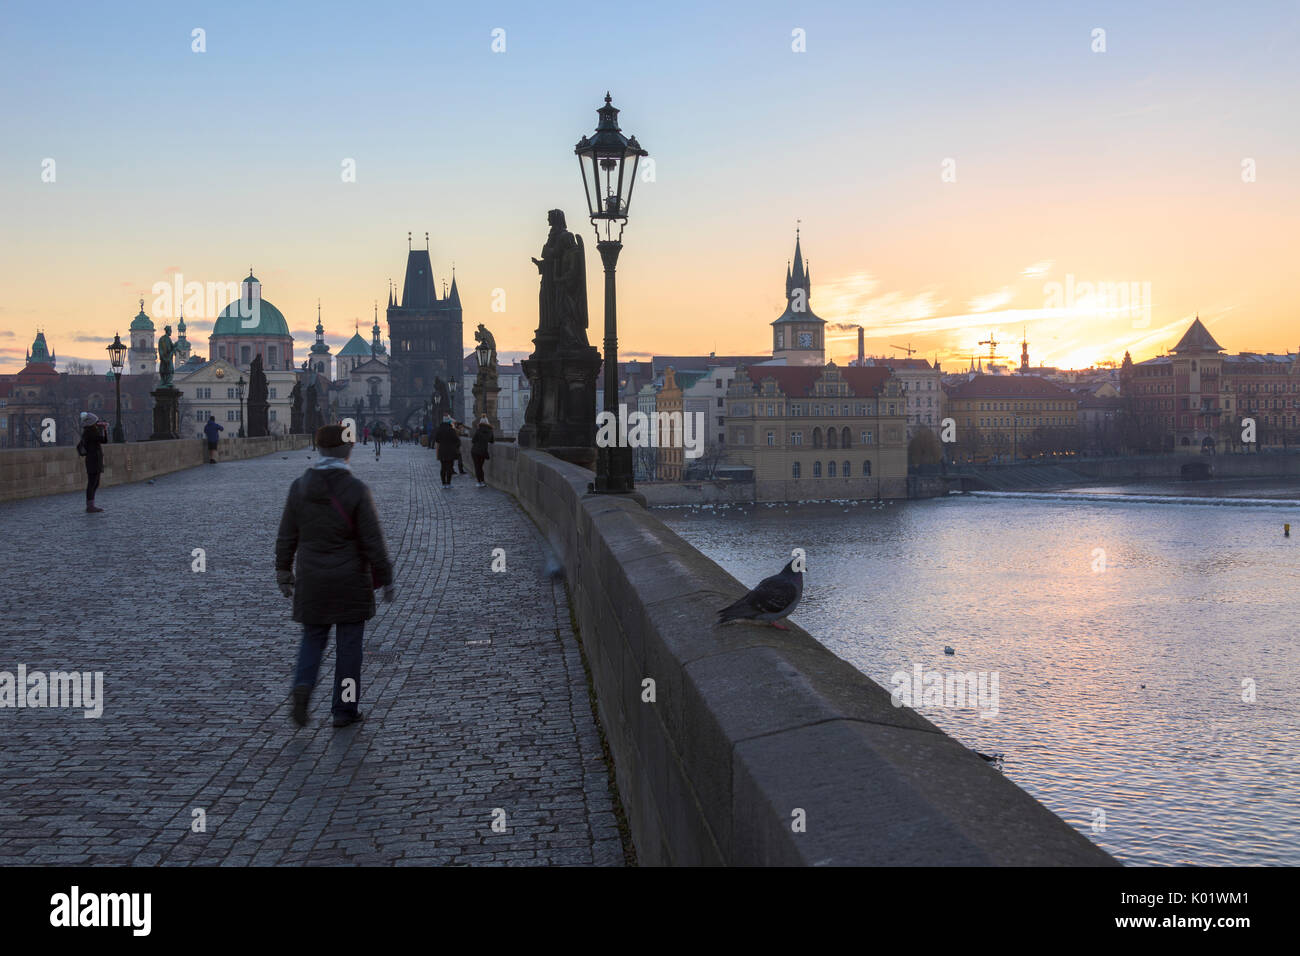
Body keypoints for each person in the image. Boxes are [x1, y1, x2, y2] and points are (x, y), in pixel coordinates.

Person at [276, 424, 394, 729]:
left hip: (312, 578)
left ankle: (303, 685)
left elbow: (287, 534)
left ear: (319, 450)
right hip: (350, 580)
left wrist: (283, 571)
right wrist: (385, 576)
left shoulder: (299, 487)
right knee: (349, 648)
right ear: (348, 451)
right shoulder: (356, 490)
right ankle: (345, 709)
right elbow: (373, 540)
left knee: (313, 638)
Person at [78, 412, 108, 513]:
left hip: (94, 459)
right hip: (93, 459)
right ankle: (90, 506)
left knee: (95, 482)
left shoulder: (89, 431)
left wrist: (101, 429)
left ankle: (91, 504)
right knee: (92, 482)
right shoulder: (90, 432)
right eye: (96, 422)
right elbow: (103, 440)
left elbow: (103, 441)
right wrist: (103, 429)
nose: (97, 423)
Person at [433, 414, 460, 487]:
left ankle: (443, 483)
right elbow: (457, 441)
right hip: (450, 451)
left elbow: (437, 440)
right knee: (449, 467)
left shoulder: (439, 430)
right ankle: (448, 483)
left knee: (443, 467)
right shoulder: (451, 430)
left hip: (442, 451)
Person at [470, 416, 494, 487]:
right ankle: (482, 481)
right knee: (480, 466)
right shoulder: (490, 431)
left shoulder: (478, 430)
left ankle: (479, 482)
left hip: (475, 451)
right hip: (483, 451)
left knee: (477, 467)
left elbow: (473, 440)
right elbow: (492, 441)